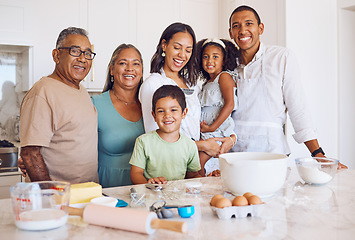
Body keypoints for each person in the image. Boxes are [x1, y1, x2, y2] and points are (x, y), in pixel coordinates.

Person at [228, 5, 347, 169]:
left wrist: (318, 153)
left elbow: (298, 108)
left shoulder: (281, 57)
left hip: (272, 153)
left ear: (260, 28)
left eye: (249, 24)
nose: (242, 30)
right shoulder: (226, 64)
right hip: (233, 155)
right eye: (236, 26)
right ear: (230, 33)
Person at [139, 22, 236, 175]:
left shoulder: (192, 84)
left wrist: (231, 138)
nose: (182, 55)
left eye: (188, 50)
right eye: (177, 48)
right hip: (169, 167)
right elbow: (156, 138)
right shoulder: (153, 83)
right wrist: (203, 146)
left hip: (195, 163)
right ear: (164, 45)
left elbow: (209, 117)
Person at [19, 27, 99, 183]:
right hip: (58, 198)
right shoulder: (42, 92)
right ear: (56, 55)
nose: (83, 59)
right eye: (75, 51)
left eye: (88, 53)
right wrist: (51, 195)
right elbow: (30, 153)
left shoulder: (81, 90)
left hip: (85, 193)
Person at [91, 44, 145, 188]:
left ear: (141, 71)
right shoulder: (95, 104)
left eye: (136, 63)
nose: (130, 68)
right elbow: (74, 146)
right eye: (122, 63)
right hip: (108, 188)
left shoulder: (151, 106)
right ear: (112, 70)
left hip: (144, 189)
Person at [130, 85, 201, 184]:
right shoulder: (143, 142)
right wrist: (149, 185)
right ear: (154, 115)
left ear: (184, 113)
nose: (167, 115)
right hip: (151, 196)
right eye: (161, 111)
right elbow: (136, 174)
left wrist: (210, 179)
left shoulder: (190, 145)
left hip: (179, 197)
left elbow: (193, 176)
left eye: (173, 110)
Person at [195, 38, 239, 176]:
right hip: (207, 131)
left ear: (223, 60)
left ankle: (199, 191)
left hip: (218, 130)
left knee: (198, 163)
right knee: (199, 162)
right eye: (205, 57)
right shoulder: (207, 83)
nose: (210, 61)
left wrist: (212, 127)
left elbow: (230, 104)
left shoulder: (224, 77)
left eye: (215, 57)